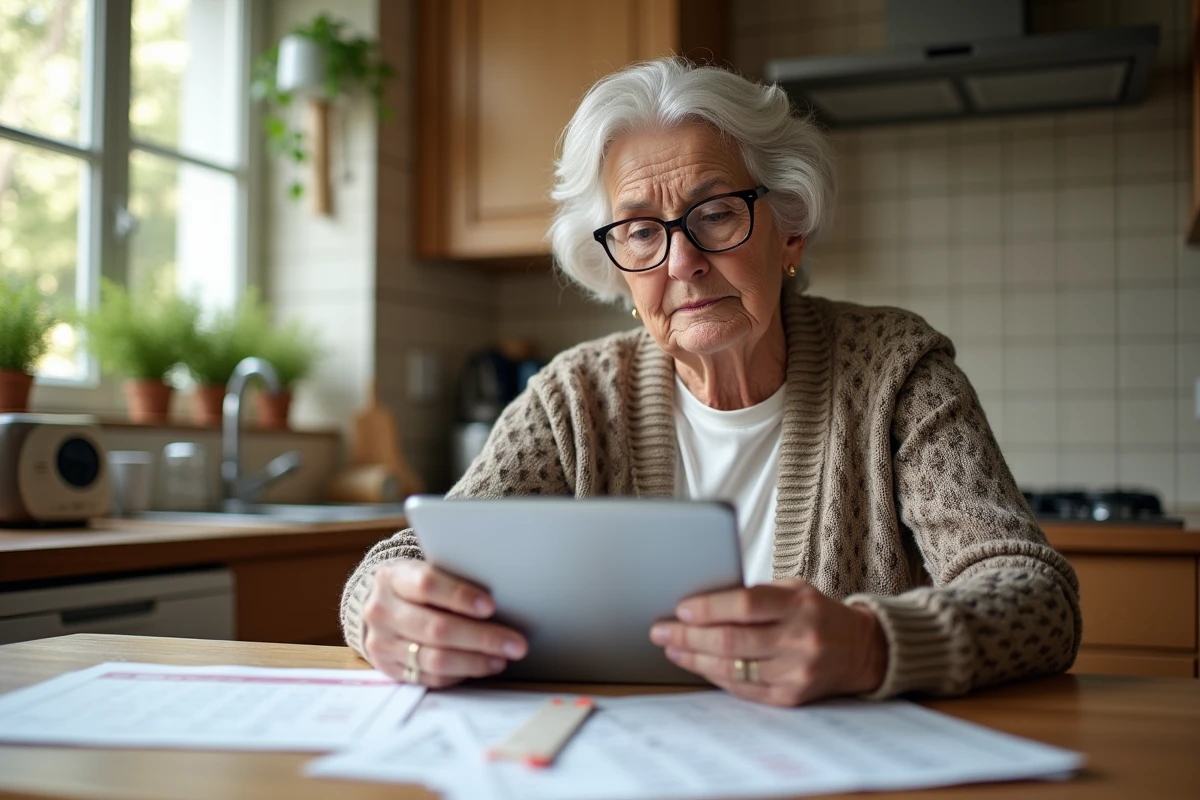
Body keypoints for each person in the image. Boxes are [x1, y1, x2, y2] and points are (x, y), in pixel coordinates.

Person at [340, 57, 1080, 707]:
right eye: (639, 232)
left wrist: (867, 644)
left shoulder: (894, 372)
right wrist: (380, 605)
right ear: (617, 268)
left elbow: (1037, 596)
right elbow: (413, 558)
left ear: (788, 228)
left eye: (716, 214)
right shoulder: (575, 397)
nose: (681, 262)